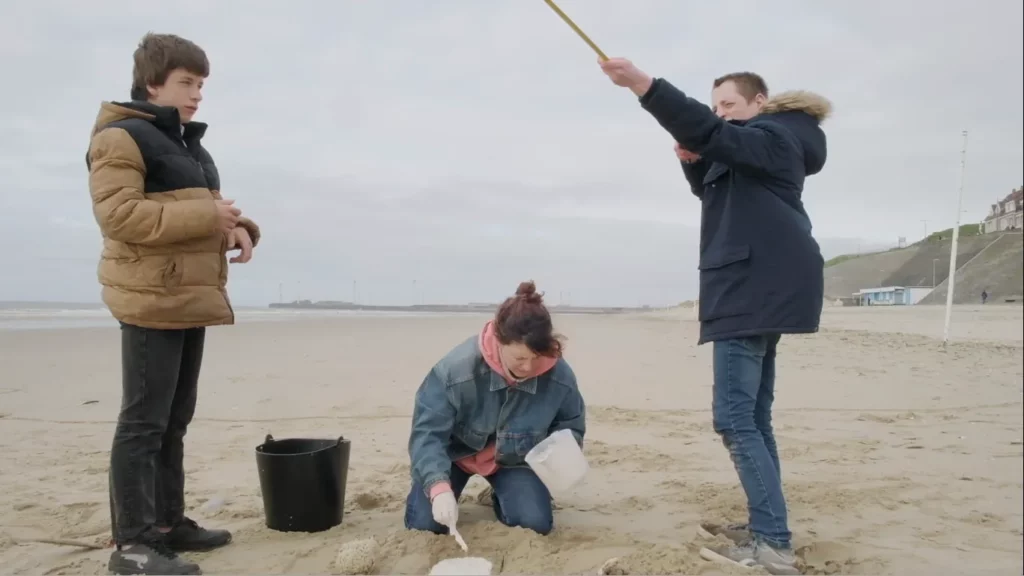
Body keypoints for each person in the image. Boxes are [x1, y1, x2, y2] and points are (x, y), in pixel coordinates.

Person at [599, 58, 831, 576]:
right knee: (754, 418)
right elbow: (716, 187)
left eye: (729, 105)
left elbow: (712, 135)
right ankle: (767, 525)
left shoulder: (772, 136)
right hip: (762, 284)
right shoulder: (763, 144)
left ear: (759, 103)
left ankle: (773, 545)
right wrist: (692, 160)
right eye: (715, 106)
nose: (720, 114)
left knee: (733, 420)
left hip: (752, 288)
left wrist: (644, 86)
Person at [86, 32, 260, 576]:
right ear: (152, 82)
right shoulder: (119, 138)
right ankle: (132, 546)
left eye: (201, 84)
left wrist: (240, 229)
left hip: (188, 295)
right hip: (148, 298)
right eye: (187, 82)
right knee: (143, 422)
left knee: (174, 419)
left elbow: (206, 210)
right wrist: (209, 219)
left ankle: (168, 524)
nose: (198, 94)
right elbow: (120, 217)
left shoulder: (187, 144)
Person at [404, 281, 586, 537]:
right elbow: (427, 435)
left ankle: (500, 496)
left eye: (536, 357)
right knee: (424, 526)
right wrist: (438, 488)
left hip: (515, 460)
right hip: (454, 456)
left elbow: (571, 425)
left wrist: (560, 455)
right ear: (499, 342)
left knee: (535, 524)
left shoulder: (560, 376)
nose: (528, 367)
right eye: (520, 358)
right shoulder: (455, 371)